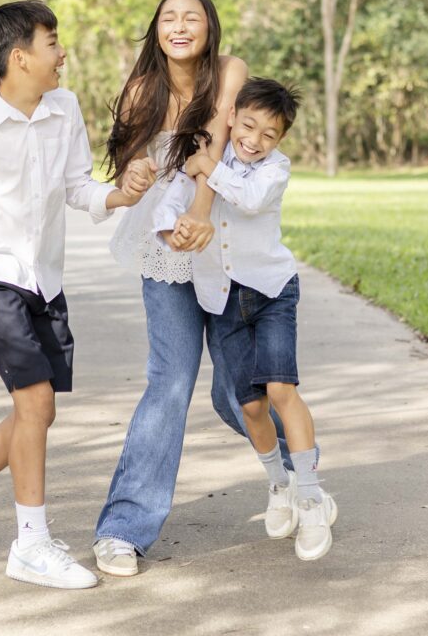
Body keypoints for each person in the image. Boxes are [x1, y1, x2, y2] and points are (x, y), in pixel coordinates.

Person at [0, 0, 149, 590]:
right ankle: (31, 544)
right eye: (52, 43)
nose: (62, 54)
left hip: (44, 277)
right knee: (36, 402)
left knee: (36, 411)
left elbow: (76, 186)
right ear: (20, 57)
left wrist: (119, 195)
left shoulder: (64, 108)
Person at [93, 0, 256, 577]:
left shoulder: (230, 72)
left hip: (223, 240)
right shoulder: (143, 88)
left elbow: (213, 143)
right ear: (157, 30)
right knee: (170, 381)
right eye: (169, 18)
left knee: (236, 392)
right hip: (166, 244)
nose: (180, 26)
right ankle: (123, 530)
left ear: (209, 27)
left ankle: (301, 474)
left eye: (191, 17)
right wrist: (135, 174)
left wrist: (201, 216)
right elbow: (132, 161)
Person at [154, 77, 337, 561]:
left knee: (281, 390)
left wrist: (208, 166)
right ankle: (279, 484)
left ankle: (311, 498)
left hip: (272, 292)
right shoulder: (205, 158)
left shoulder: (274, 170)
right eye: (248, 126)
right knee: (250, 406)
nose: (254, 140)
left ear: (281, 139)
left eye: (268, 134)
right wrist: (172, 230)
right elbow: (171, 204)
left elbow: (249, 198)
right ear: (231, 117)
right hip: (221, 300)